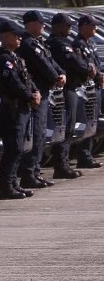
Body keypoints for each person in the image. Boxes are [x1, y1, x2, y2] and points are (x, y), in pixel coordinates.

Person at [0, 20, 40, 199]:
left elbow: (26, 79)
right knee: (13, 148)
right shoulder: (3, 59)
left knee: (18, 149)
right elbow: (14, 82)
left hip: (22, 108)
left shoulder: (16, 57)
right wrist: (30, 96)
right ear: (5, 37)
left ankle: (13, 183)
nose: (19, 38)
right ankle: (5, 187)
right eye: (15, 35)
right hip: (12, 108)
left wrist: (35, 92)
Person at [17, 10, 64, 188]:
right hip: (35, 93)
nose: (44, 25)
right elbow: (41, 64)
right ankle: (29, 174)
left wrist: (61, 73)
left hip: (43, 92)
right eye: (40, 22)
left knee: (41, 134)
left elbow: (51, 61)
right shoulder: (28, 43)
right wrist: (55, 77)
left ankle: (35, 171)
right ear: (30, 24)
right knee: (35, 133)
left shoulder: (38, 42)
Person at [47, 13, 86, 178]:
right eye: (67, 25)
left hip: (71, 88)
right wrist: (87, 68)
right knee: (65, 127)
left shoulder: (65, 42)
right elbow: (75, 62)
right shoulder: (57, 44)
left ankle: (63, 163)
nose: (70, 28)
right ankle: (61, 166)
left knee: (68, 128)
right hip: (65, 89)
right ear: (57, 26)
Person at [71, 14, 103, 169]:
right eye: (92, 25)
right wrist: (97, 75)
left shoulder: (90, 43)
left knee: (92, 121)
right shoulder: (78, 44)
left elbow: (96, 64)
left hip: (94, 87)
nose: (95, 28)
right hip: (86, 88)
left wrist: (100, 75)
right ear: (83, 26)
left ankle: (87, 155)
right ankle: (83, 156)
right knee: (86, 121)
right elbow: (84, 66)